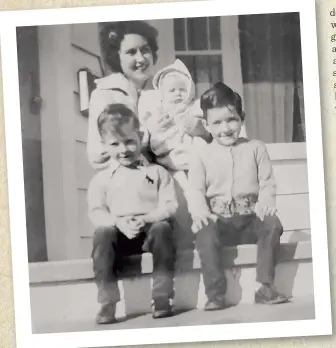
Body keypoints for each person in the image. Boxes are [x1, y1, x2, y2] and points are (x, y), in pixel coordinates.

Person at [187, 82, 290, 311]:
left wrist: (266, 202)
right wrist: (200, 211)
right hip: (219, 221)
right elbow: (194, 189)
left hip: (250, 218)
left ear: (242, 118)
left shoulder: (256, 148)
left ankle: (265, 286)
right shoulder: (201, 154)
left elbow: (267, 183)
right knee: (204, 233)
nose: (225, 128)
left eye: (231, 120)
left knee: (272, 224)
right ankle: (215, 294)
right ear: (206, 124)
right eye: (217, 122)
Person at [87, 103, 178, 324]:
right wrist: (117, 222)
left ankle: (162, 296)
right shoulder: (101, 180)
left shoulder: (156, 172)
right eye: (115, 144)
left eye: (129, 141)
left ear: (140, 136)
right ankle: (107, 302)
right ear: (104, 146)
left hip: (150, 230)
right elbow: (96, 212)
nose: (124, 149)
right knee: (102, 235)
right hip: (120, 233)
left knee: (163, 229)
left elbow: (170, 205)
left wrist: (147, 218)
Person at [87, 21, 210, 171]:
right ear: (116, 56)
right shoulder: (105, 94)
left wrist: (200, 131)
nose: (141, 59)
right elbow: (98, 156)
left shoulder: (164, 89)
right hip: (132, 184)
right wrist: (147, 136)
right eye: (131, 52)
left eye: (145, 50)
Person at [140, 58, 207, 192]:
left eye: (182, 90)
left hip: (190, 148)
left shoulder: (192, 106)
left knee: (201, 147)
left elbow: (202, 120)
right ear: (162, 94)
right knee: (179, 181)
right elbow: (152, 129)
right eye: (172, 90)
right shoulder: (160, 110)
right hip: (169, 151)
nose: (178, 93)